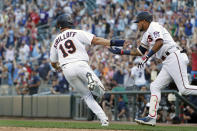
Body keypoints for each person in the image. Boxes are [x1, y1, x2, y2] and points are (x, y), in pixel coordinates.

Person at [108, 11, 197, 126]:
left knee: (184, 88)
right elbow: (140, 51)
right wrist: (121, 51)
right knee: (155, 86)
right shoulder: (146, 34)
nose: (137, 25)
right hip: (167, 61)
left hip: (174, 57)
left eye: (138, 22)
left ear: (144, 21)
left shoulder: (154, 26)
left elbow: (159, 42)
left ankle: (151, 117)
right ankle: (152, 117)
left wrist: (147, 56)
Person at [49, 14, 127, 126]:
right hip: (81, 64)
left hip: (67, 69)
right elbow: (96, 40)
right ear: (70, 23)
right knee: (101, 91)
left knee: (86, 96)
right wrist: (116, 42)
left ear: (59, 26)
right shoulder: (76, 32)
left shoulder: (55, 41)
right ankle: (92, 84)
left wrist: (57, 68)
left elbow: (53, 62)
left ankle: (103, 120)